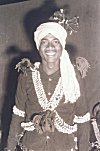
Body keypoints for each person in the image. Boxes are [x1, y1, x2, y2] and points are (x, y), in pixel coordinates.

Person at [6, 21, 90, 151]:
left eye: (55, 41)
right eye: (44, 42)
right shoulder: (26, 75)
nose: (50, 47)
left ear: (62, 46)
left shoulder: (74, 77)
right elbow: (17, 115)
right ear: (39, 46)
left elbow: (83, 119)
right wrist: (9, 148)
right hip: (31, 146)